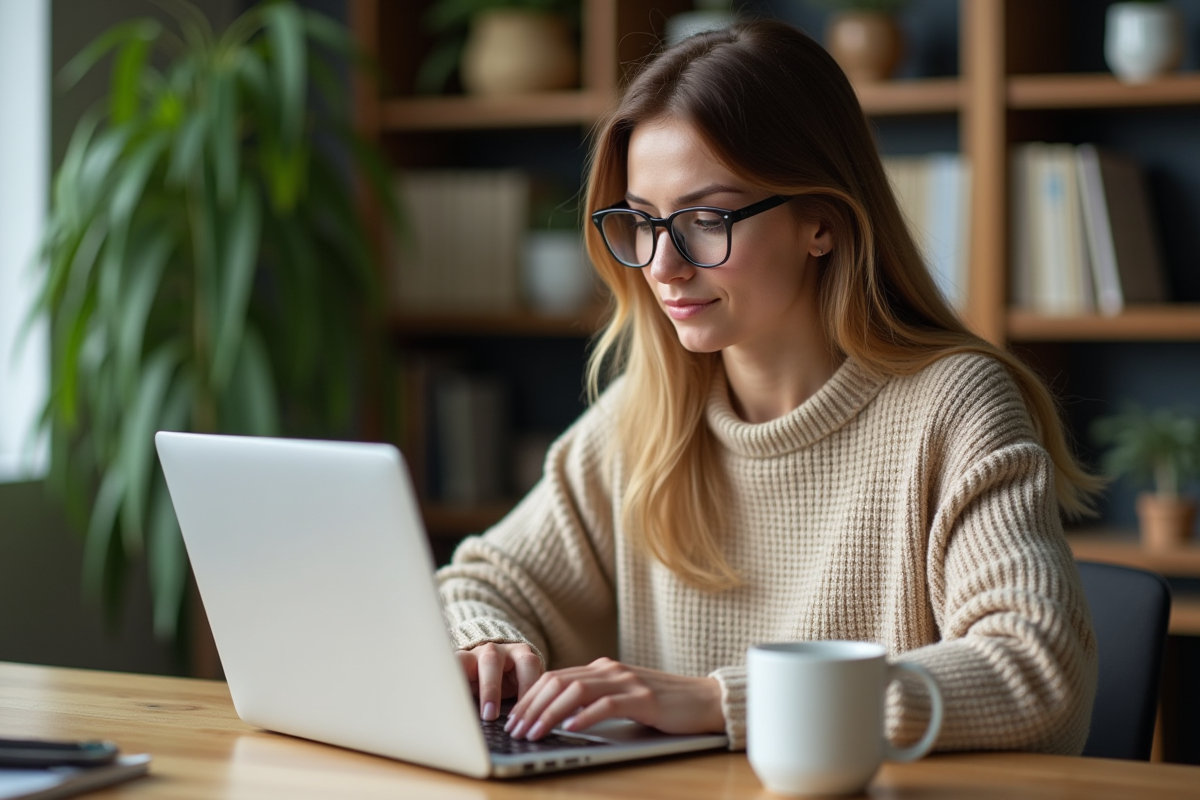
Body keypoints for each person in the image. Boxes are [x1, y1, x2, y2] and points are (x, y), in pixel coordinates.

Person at [437, 18, 1100, 754]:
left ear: (820, 221)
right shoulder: (648, 415)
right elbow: (478, 582)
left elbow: (1036, 669)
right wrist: (488, 644)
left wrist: (723, 700)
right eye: (643, 223)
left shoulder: (953, 406)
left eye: (706, 219)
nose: (663, 267)